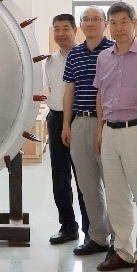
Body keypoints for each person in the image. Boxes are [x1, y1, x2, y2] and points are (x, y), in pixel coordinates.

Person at [92, 2, 137, 272]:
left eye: (124, 22)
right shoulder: (103, 57)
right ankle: (122, 251)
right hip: (110, 131)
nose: (118, 28)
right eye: (114, 23)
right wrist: (100, 131)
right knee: (116, 196)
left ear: (134, 23)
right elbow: (100, 95)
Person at [61, 7, 114, 256]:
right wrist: (66, 124)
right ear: (80, 25)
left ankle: (120, 241)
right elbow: (69, 89)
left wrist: (103, 128)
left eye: (96, 19)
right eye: (86, 20)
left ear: (105, 23)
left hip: (108, 124)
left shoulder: (113, 50)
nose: (90, 23)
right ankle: (98, 237)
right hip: (80, 123)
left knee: (113, 185)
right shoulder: (74, 54)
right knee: (87, 186)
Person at [43, 13, 88, 245]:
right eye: (56, 29)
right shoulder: (50, 61)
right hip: (55, 118)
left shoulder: (84, 57)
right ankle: (68, 226)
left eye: (65, 29)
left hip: (79, 120)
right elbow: (49, 90)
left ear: (75, 30)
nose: (60, 34)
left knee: (85, 177)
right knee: (59, 176)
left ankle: (92, 230)